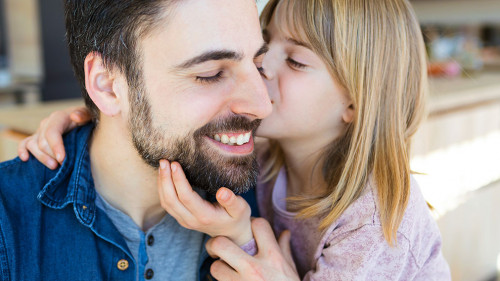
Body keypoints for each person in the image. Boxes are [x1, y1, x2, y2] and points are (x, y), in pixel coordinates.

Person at [19, 0, 453, 280]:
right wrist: (86, 122)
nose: (259, 87)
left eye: (296, 62)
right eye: (265, 52)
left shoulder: (373, 220)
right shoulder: (267, 155)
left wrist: (240, 235)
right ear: (107, 85)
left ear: (357, 103)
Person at [0, 0, 276, 280]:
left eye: (259, 65)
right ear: (107, 85)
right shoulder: (7, 224)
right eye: (210, 74)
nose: (262, 104)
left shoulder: (273, 196)